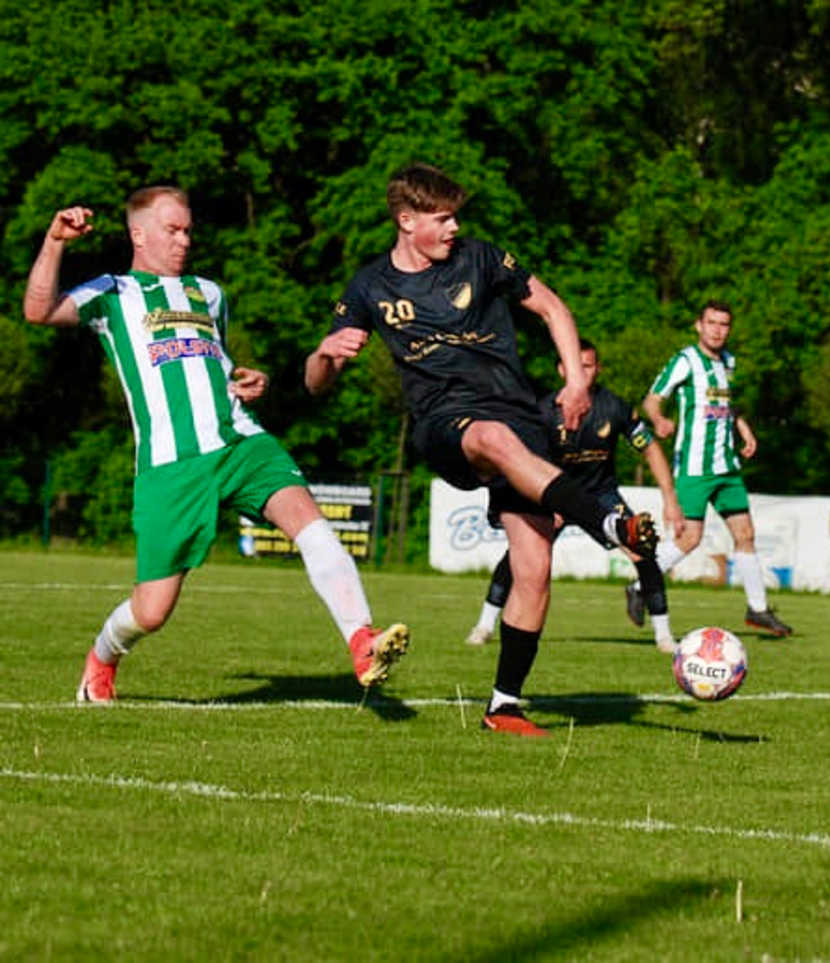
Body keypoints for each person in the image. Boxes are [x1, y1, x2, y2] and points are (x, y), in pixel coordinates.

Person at [305, 163, 657, 737]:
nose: (453, 228)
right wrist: (323, 354)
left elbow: (554, 309)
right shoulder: (370, 287)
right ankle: (609, 524)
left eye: (455, 217)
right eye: (442, 218)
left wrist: (575, 382)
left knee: (535, 567)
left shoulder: (482, 258)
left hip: (521, 420)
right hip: (445, 423)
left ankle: (504, 707)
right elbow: (314, 385)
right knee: (492, 438)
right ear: (406, 220)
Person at [22, 189, 408, 703]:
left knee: (312, 525)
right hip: (172, 464)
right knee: (152, 610)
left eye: (187, 229)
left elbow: (212, 363)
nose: (185, 239)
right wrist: (55, 241)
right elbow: (38, 311)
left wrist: (242, 383)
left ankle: (362, 641)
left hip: (241, 441)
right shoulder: (112, 292)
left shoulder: (209, 293)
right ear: (139, 234)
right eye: (172, 230)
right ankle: (103, 656)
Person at [466, 339, 685, 652]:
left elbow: (649, 448)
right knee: (522, 556)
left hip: (601, 495)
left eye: (588, 366)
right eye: (575, 366)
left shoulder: (616, 408)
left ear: (598, 369)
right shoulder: (541, 412)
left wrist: (670, 499)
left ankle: (664, 636)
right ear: (561, 369)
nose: (581, 373)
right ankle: (484, 626)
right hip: (552, 492)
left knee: (643, 549)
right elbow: (526, 463)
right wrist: (545, 502)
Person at [640, 301, 792, 637]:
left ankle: (758, 609)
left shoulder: (729, 362)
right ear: (699, 325)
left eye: (724, 324)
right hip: (695, 468)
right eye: (711, 323)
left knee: (746, 535)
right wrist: (659, 419)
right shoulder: (686, 360)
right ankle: (639, 586)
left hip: (727, 467)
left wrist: (744, 429)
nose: (717, 330)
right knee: (689, 538)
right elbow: (653, 398)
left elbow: (727, 404)